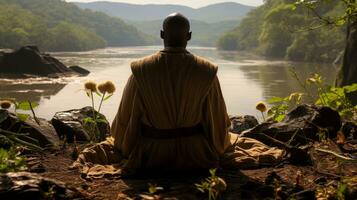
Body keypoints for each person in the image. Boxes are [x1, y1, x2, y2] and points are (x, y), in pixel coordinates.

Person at [73, 13, 284, 177]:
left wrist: (124, 149)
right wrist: (219, 149)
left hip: (152, 155)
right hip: (196, 155)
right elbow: (218, 123)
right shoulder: (207, 70)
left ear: (162, 35)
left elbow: (125, 122)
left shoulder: (141, 70)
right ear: (189, 36)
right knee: (236, 139)